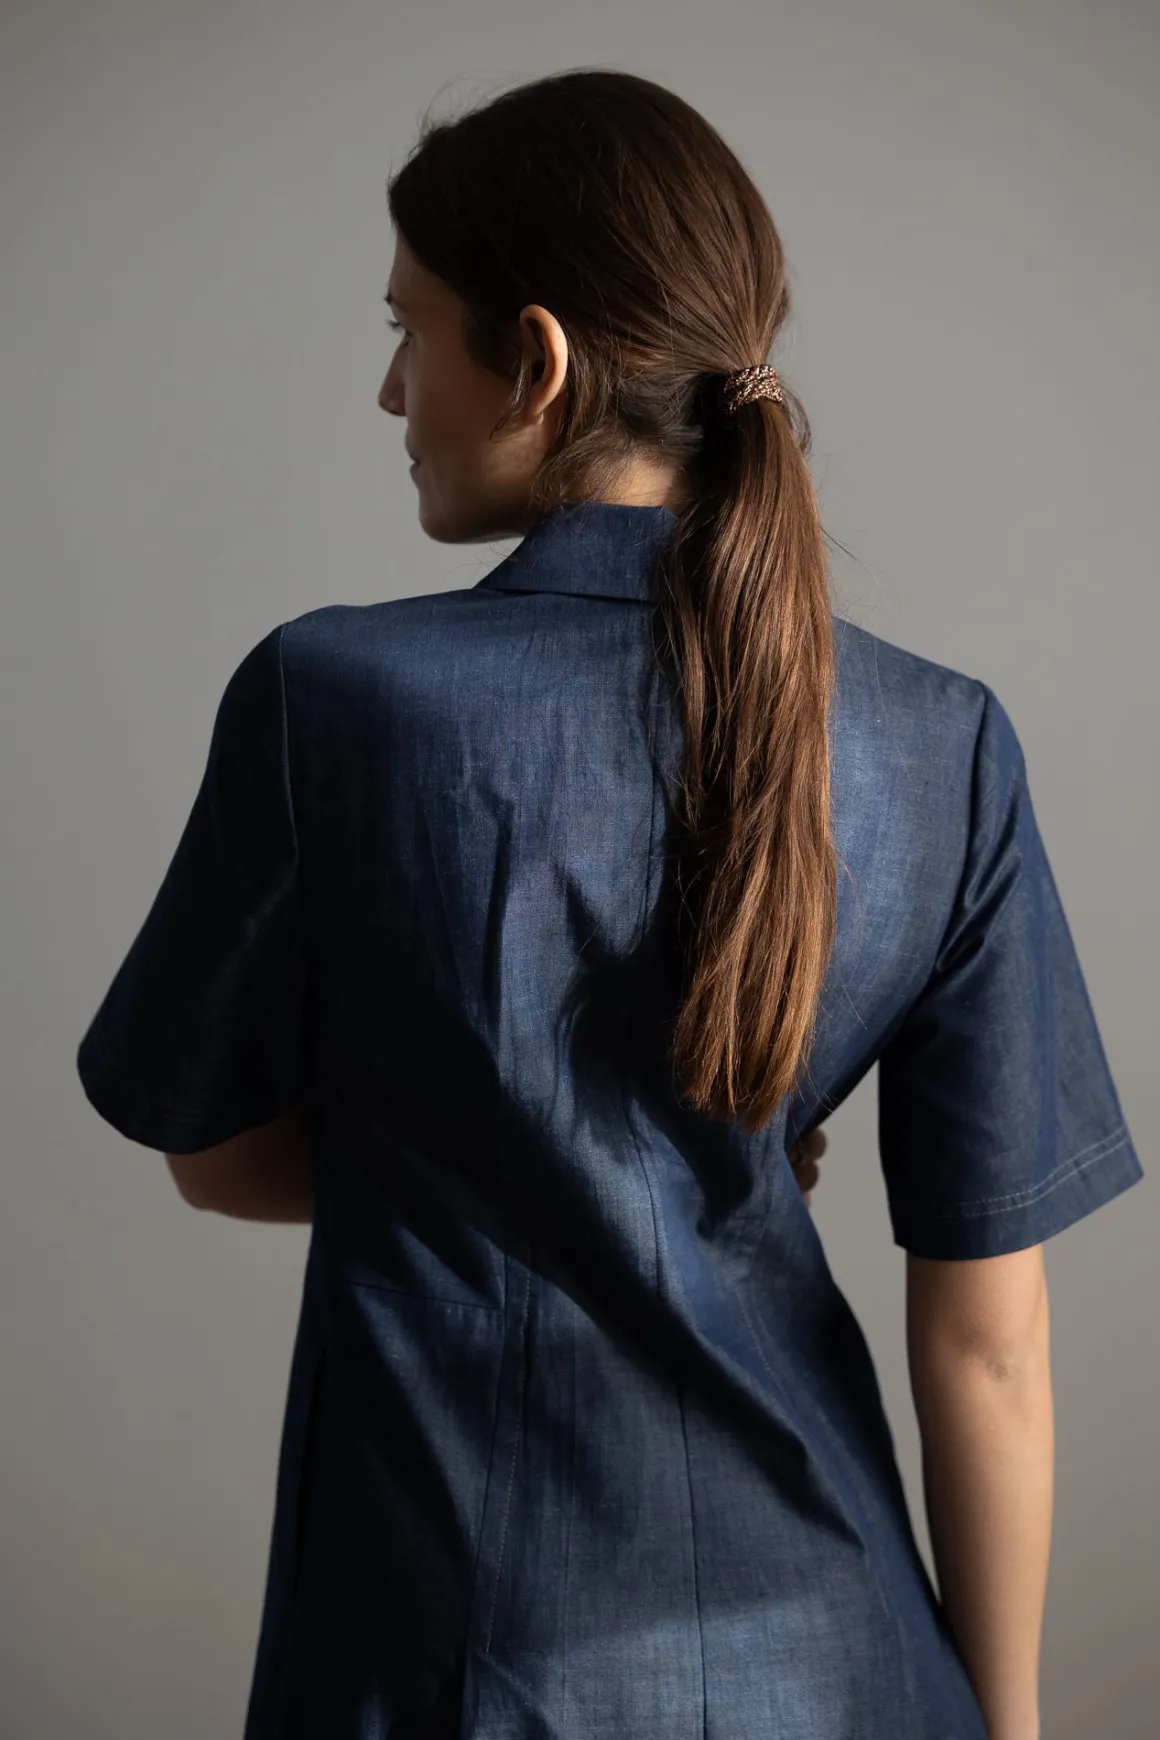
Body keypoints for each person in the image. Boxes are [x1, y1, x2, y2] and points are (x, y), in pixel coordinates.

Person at [76, 67, 1143, 1740]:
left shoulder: (330, 701)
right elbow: (991, 1345)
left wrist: (465, 1158)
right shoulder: (943, 742)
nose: (388, 388)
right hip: (853, 1669)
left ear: (540, 360)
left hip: (454, 1670)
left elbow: (211, 1154)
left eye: (409, 331)